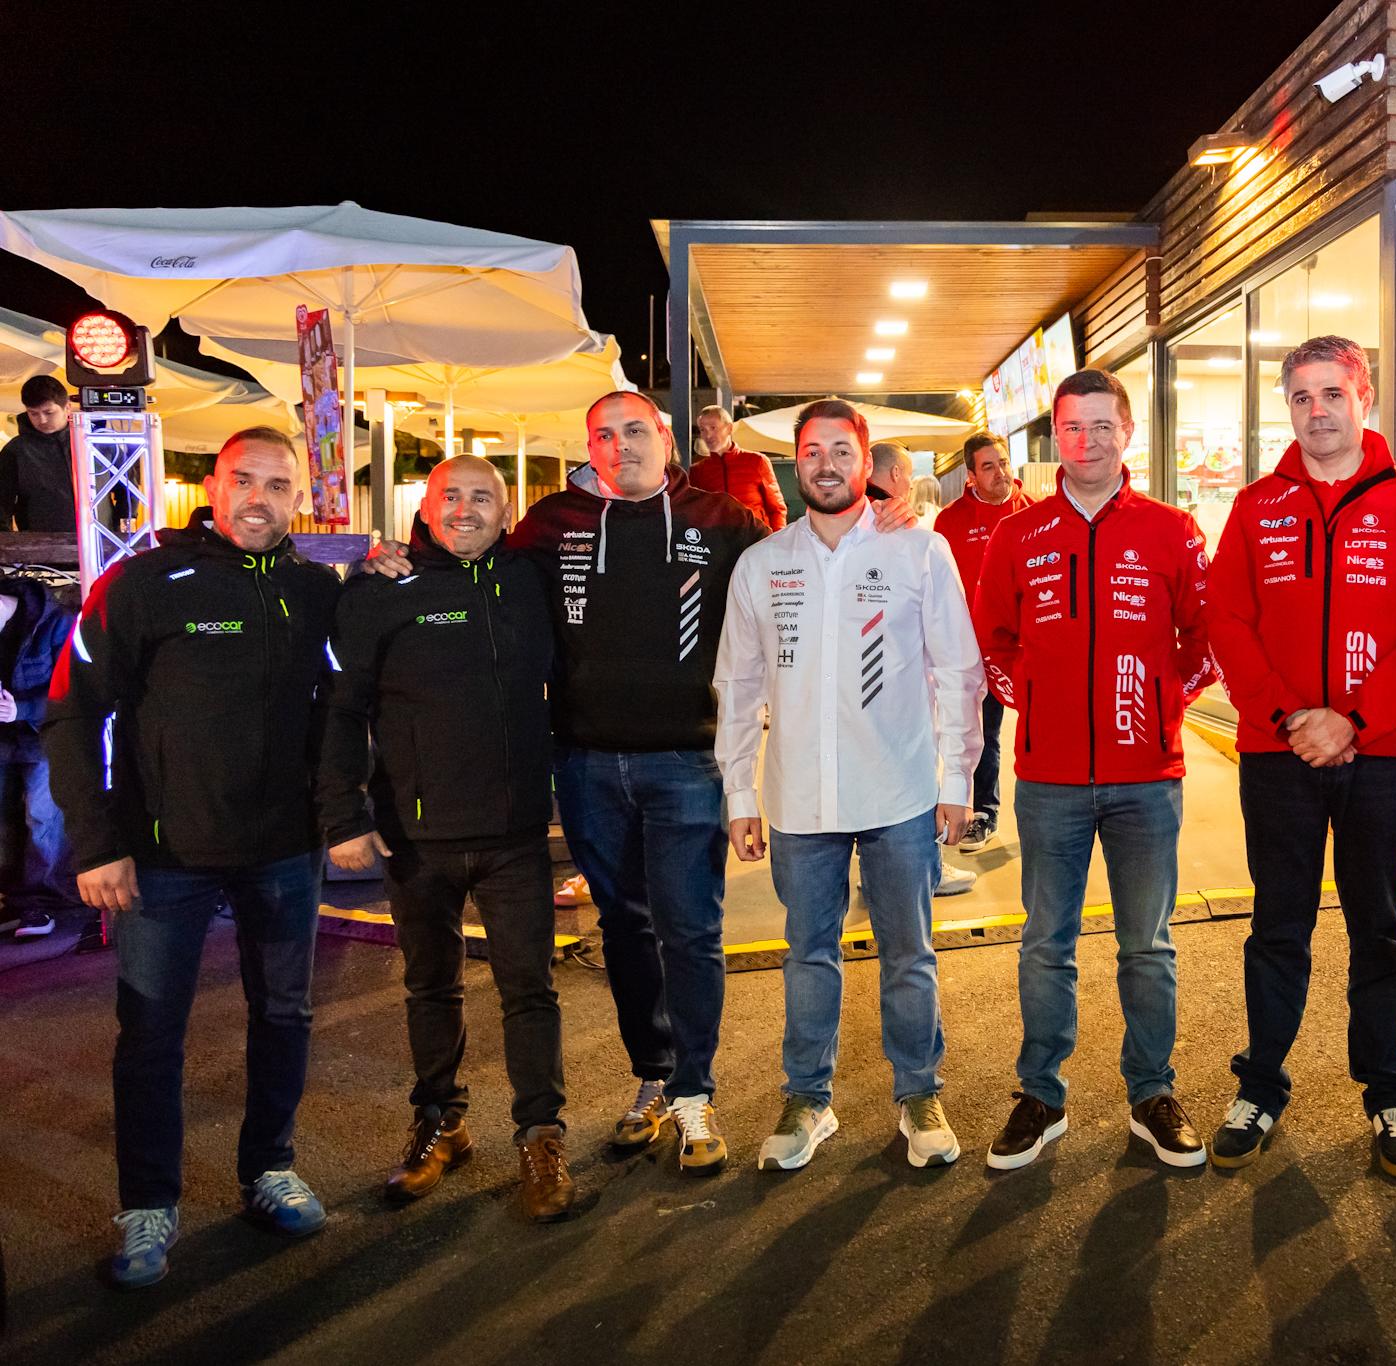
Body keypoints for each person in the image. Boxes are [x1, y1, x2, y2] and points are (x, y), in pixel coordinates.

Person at [364, 390, 766, 1174]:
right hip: (584, 765)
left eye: (635, 431)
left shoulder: (725, 522)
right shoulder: (551, 524)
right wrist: (398, 550)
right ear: (591, 445)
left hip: (688, 761)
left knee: (691, 932)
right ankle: (652, 1077)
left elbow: (795, 572)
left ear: (666, 437)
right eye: (604, 435)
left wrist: (878, 525)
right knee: (622, 930)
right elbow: (464, 550)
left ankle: (693, 1093)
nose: (621, 446)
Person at [45, 427, 341, 1289]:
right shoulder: (140, 584)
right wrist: (96, 845)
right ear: (210, 488)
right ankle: (147, 1206)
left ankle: (269, 1169)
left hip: (286, 852)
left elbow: (348, 706)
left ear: (299, 498)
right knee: (150, 1037)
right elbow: (72, 716)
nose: (259, 497)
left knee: (284, 1017)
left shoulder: (317, 591)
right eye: (243, 480)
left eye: (278, 485)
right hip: (161, 859)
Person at [1203, 335, 1396, 1177]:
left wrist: (1352, 719)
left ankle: (1388, 1092)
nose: (1318, 411)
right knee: (1278, 925)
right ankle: (1260, 1086)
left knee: (1378, 926)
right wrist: (1289, 719)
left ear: (1364, 398)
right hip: (1277, 757)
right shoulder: (1253, 508)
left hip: (1381, 754)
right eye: (1302, 397)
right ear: (1290, 408)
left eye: (1331, 394)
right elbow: (1227, 623)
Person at [715, 398, 982, 1171]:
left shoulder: (918, 552)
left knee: (910, 952)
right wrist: (740, 796)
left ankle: (918, 1092)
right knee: (808, 953)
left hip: (899, 791)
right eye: (811, 451)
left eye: (841, 449)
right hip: (799, 798)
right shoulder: (766, 564)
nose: (825, 464)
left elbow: (957, 671)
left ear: (867, 464)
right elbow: (737, 686)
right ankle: (808, 1098)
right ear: (794, 465)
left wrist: (956, 776)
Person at [317, 456, 573, 1220]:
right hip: (415, 836)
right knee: (431, 986)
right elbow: (341, 711)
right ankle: (440, 1122)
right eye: (450, 496)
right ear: (424, 508)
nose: (466, 510)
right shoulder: (377, 592)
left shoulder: (530, 580)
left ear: (507, 510)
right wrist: (343, 815)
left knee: (531, 991)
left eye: (482, 498)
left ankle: (541, 1135)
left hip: (516, 832)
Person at [972, 370, 1216, 1171]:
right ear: (1055, 435)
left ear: (1127, 431)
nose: (1088, 442)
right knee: (1047, 942)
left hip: (1149, 776)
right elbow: (993, 641)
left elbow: (1204, 639)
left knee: (1147, 944)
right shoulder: (1018, 534)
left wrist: (1159, 703)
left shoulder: (1173, 530)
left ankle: (1152, 1093)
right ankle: (1041, 1095)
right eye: (1073, 428)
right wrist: (1034, 700)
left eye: (1103, 426)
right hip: (1049, 779)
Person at [870, 440, 978, 896]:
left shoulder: (902, 529)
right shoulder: (898, 530)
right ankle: (923, 869)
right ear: (896, 476)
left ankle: (897, 870)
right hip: (898, 705)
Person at [934, 432, 1034, 855]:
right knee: (983, 733)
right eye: (988, 467)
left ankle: (1049, 813)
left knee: (1039, 733)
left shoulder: (1037, 514)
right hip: (975, 649)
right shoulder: (950, 522)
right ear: (971, 476)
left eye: (1004, 462)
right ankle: (984, 813)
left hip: (1031, 648)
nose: (1001, 473)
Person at [0, 573, 81, 938]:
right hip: (5, 739)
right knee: (8, 821)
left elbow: (73, 692)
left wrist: (21, 710)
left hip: (41, 735)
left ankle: (45, 903)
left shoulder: (55, 623)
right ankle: (17, 901)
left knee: (43, 817)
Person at [0, 375, 79, 533]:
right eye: (33, 413)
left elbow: (125, 488)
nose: (42, 420)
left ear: (67, 407)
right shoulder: (16, 450)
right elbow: (2, 504)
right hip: (41, 547)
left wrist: (123, 523)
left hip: (103, 543)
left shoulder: (92, 442)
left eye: (49, 412)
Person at [691, 404, 788, 530]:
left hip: (756, 540)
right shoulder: (697, 471)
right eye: (702, 430)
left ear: (729, 428)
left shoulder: (757, 461)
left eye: (713, 428)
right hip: (719, 542)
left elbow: (776, 508)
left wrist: (778, 540)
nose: (707, 435)